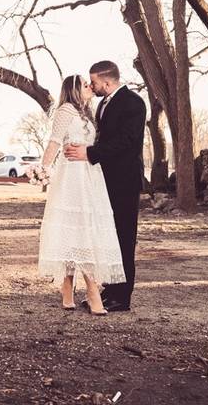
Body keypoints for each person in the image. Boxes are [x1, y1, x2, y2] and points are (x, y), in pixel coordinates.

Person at [36, 74, 126, 315]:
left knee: (85, 228)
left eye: (90, 83)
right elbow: (54, 142)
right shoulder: (65, 110)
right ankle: (88, 289)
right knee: (76, 228)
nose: (90, 87)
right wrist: (42, 169)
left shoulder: (89, 112)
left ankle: (70, 285)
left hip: (90, 176)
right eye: (85, 85)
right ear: (74, 90)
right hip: (71, 177)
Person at [64, 60, 146, 312]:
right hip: (103, 182)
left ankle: (121, 297)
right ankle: (108, 289)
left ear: (107, 81)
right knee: (107, 238)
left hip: (124, 181)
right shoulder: (102, 104)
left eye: (95, 82)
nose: (92, 86)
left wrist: (90, 153)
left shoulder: (133, 103)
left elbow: (127, 141)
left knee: (123, 237)